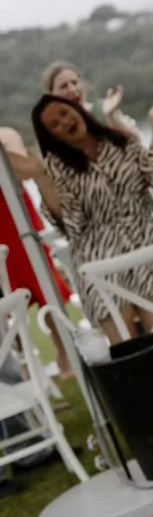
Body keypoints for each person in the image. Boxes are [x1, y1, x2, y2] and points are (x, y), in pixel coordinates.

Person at [29, 92, 153, 342]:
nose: (64, 122)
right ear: (51, 136)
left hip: (145, 245)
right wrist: (42, 180)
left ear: (76, 110)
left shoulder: (121, 142)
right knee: (125, 347)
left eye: (64, 113)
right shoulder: (56, 167)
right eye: (54, 125)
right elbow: (71, 223)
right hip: (98, 259)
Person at [0, 126, 74, 375]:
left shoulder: (7, 135)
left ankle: (65, 350)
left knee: (42, 285)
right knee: (5, 296)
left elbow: (27, 172)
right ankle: (24, 365)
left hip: (17, 220)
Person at [41, 61, 141, 142]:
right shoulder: (58, 130)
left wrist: (111, 117)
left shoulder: (101, 109)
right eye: (63, 86)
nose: (72, 89)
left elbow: (137, 143)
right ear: (51, 95)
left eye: (74, 82)